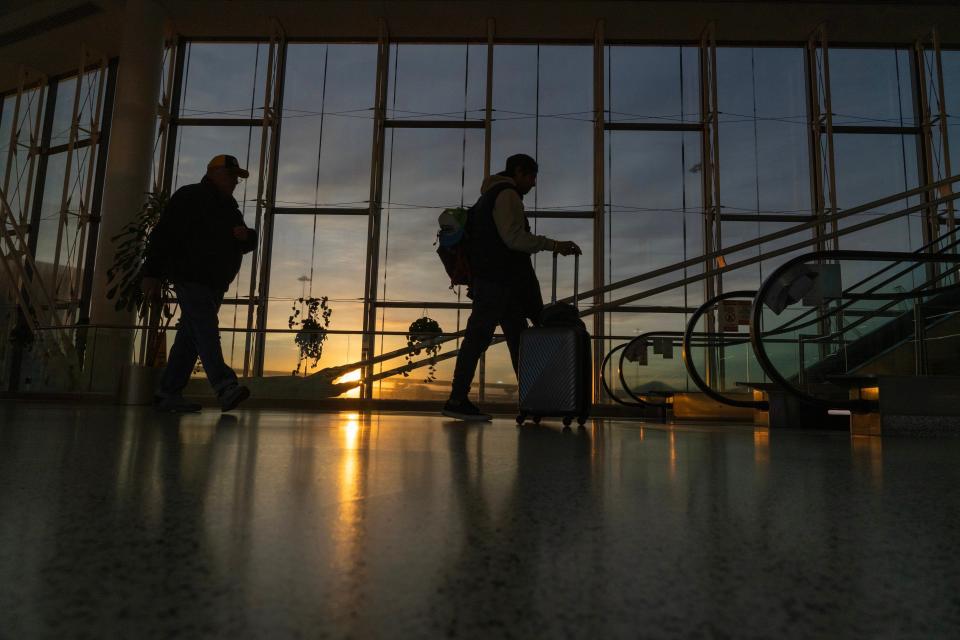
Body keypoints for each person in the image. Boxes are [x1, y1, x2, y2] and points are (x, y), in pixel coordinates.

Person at [443, 154, 581, 421]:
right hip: (499, 282)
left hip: (498, 283)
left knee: (515, 342)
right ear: (519, 172)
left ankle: (533, 400)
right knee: (487, 339)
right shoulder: (507, 195)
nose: (533, 184)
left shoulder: (489, 197)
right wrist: (554, 245)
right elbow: (514, 238)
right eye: (531, 177)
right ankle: (458, 399)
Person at [142, 154, 256, 413]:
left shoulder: (229, 208)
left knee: (191, 336)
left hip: (213, 281)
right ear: (213, 173)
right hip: (192, 276)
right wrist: (151, 273)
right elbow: (165, 235)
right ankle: (224, 386)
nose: (235, 181)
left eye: (237, 178)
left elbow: (245, 243)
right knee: (204, 327)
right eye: (231, 176)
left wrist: (247, 236)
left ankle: (168, 391)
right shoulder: (191, 197)